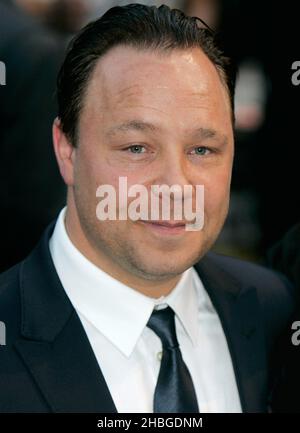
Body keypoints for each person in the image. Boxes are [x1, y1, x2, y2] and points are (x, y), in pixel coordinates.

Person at [0, 3, 295, 413]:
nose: (176, 186)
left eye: (202, 149)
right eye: (137, 148)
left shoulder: (274, 311)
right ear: (66, 149)